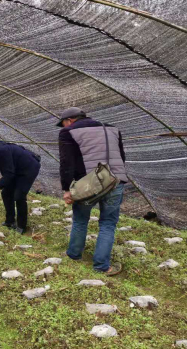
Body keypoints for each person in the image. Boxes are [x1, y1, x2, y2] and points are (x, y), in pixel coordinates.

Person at [57, 107, 127, 276]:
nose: (63, 126)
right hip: (115, 181)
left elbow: (67, 163)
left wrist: (67, 189)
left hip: (89, 185)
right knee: (108, 224)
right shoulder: (111, 128)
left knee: (81, 220)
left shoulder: (68, 132)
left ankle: (74, 255)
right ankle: (102, 266)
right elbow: (122, 157)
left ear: (70, 120)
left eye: (64, 123)